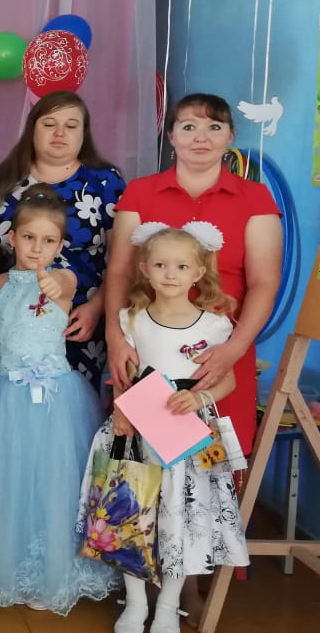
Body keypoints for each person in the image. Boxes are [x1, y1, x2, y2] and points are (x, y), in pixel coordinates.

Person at [0, 185, 115, 615]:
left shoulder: (65, 280)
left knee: (52, 479)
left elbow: (58, 284)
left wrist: (49, 277)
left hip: (55, 399)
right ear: (12, 238)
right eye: (28, 238)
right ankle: (7, 566)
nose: (37, 248)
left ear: (60, 245)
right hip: (5, 394)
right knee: (6, 479)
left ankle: (50, 571)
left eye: (48, 240)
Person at [106, 93, 281, 459]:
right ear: (171, 135)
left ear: (230, 136)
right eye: (189, 127)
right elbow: (120, 272)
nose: (201, 137)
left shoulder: (255, 197)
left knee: (217, 465)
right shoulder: (140, 193)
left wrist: (233, 350)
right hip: (147, 349)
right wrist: (115, 338)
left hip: (220, 353)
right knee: (144, 465)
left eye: (214, 127)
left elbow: (264, 282)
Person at [105, 222, 247, 633]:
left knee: (181, 520)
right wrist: (121, 408)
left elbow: (228, 381)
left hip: (188, 439)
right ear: (144, 269)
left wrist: (200, 398)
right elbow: (124, 376)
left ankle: (168, 605)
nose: (170, 274)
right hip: (136, 434)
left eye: (182, 266)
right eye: (161, 265)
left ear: (198, 272)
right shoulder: (131, 319)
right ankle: (136, 603)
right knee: (132, 516)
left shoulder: (214, 326)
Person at [0, 91, 126, 392]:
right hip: (12, 321)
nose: (60, 133)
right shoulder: (4, 179)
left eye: (71, 125)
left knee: (72, 403)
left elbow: (122, 258)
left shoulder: (104, 181)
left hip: (79, 317)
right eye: (49, 124)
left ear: (83, 133)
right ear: (32, 129)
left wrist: (97, 308)